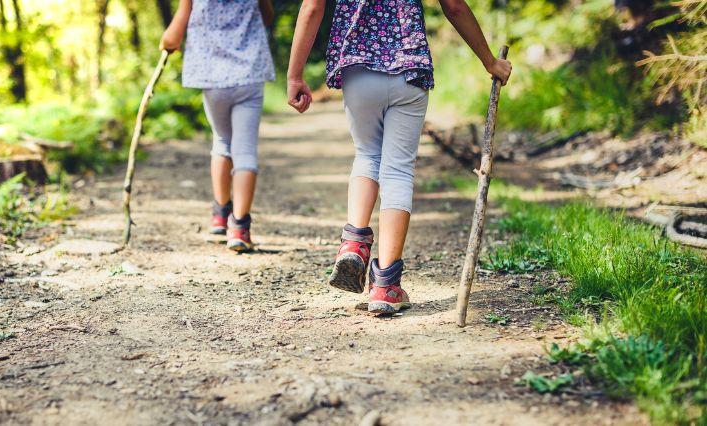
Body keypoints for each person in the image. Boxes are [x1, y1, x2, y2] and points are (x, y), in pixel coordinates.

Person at [286, 0, 512, 313]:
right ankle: (385, 285)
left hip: (359, 69)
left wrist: (295, 75)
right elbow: (455, 6)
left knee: (367, 155)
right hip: (410, 71)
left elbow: (312, 7)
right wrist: (489, 61)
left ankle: (354, 243)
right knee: (398, 171)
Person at [160, 0, 275, 252]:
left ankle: (220, 214)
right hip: (249, 75)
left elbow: (175, 33)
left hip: (212, 77)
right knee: (245, 151)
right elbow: (267, 17)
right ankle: (240, 226)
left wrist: (168, 41)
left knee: (222, 142)